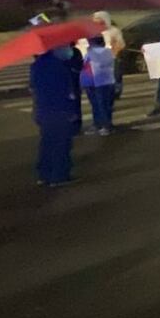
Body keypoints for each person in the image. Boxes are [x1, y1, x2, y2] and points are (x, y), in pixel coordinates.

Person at [30, 46, 81, 187]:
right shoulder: (59, 66)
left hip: (43, 109)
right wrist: (71, 111)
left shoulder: (36, 65)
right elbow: (67, 91)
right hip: (59, 110)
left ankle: (44, 174)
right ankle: (59, 176)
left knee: (47, 143)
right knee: (61, 144)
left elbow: (34, 88)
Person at [81, 35, 116, 136]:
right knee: (102, 105)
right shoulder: (108, 52)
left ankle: (104, 126)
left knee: (99, 105)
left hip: (96, 82)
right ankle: (101, 125)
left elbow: (86, 65)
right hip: (105, 82)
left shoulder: (93, 53)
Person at [91, 11, 126, 98]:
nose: (96, 21)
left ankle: (116, 92)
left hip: (113, 57)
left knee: (115, 76)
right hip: (99, 59)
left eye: (98, 19)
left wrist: (114, 52)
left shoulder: (114, 31)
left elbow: (121, 44)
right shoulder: (94, 32)